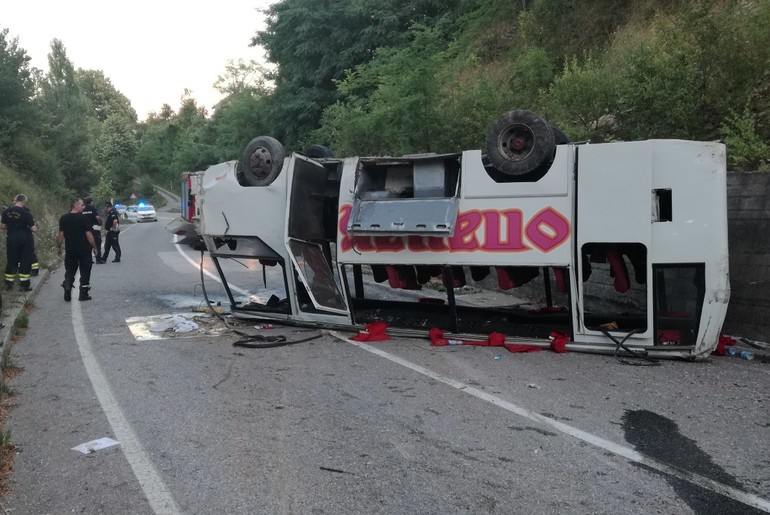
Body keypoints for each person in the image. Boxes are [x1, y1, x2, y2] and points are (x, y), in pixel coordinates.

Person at [56, 198, 98, 301]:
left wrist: (58, 247)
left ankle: (68, 284)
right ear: (75, 206)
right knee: (85, 271)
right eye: (82, 205)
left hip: (70, 250)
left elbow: (61, 235)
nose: (83, 207)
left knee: (70, 270)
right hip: (84, 250)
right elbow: (88, 235)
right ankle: (83, 294)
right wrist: (94, 247)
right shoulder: (84, 219)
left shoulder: (63, 218)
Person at [0, 194, 38, 291]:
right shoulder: (26, 213)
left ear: (16, 200)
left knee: (12, 260)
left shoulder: (6, 211)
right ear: (24, 201)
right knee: (25, 261)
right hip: (25, 240)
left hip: (11, 239)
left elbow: (3, 226)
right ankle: (24, 285)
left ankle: (8, 284)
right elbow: (34, 229)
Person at [82, 196, 104, 263]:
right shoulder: (93, 208)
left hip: (85, 229)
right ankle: (98, 259)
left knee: (87, 244)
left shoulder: (83, 209)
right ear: (91, 202)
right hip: (95, 228)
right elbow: (97, 217)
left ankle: (89, 259)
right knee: (97, 243)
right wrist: (100, 222)